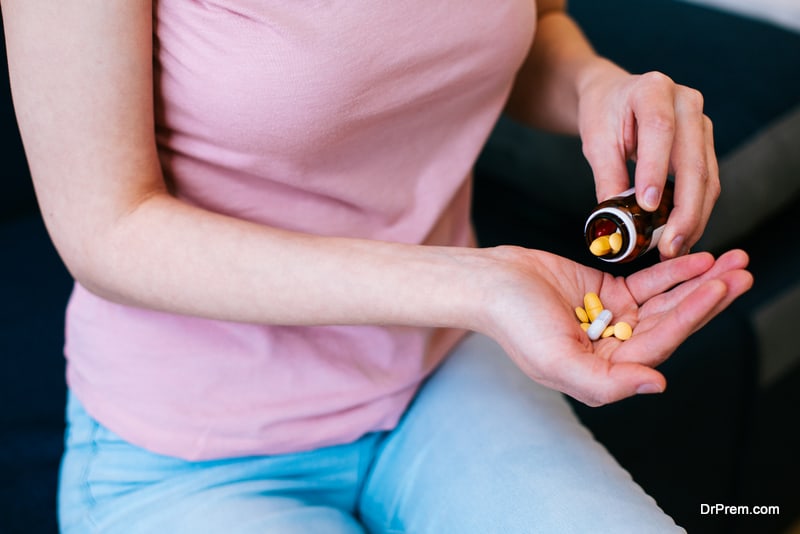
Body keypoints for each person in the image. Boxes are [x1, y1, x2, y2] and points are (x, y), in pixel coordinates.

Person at [2, 0, 752, 532]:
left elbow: (529, 25)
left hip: (437, 370)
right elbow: (109, 230)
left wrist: (597, 84)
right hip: (193, 443)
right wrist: (476, 284)